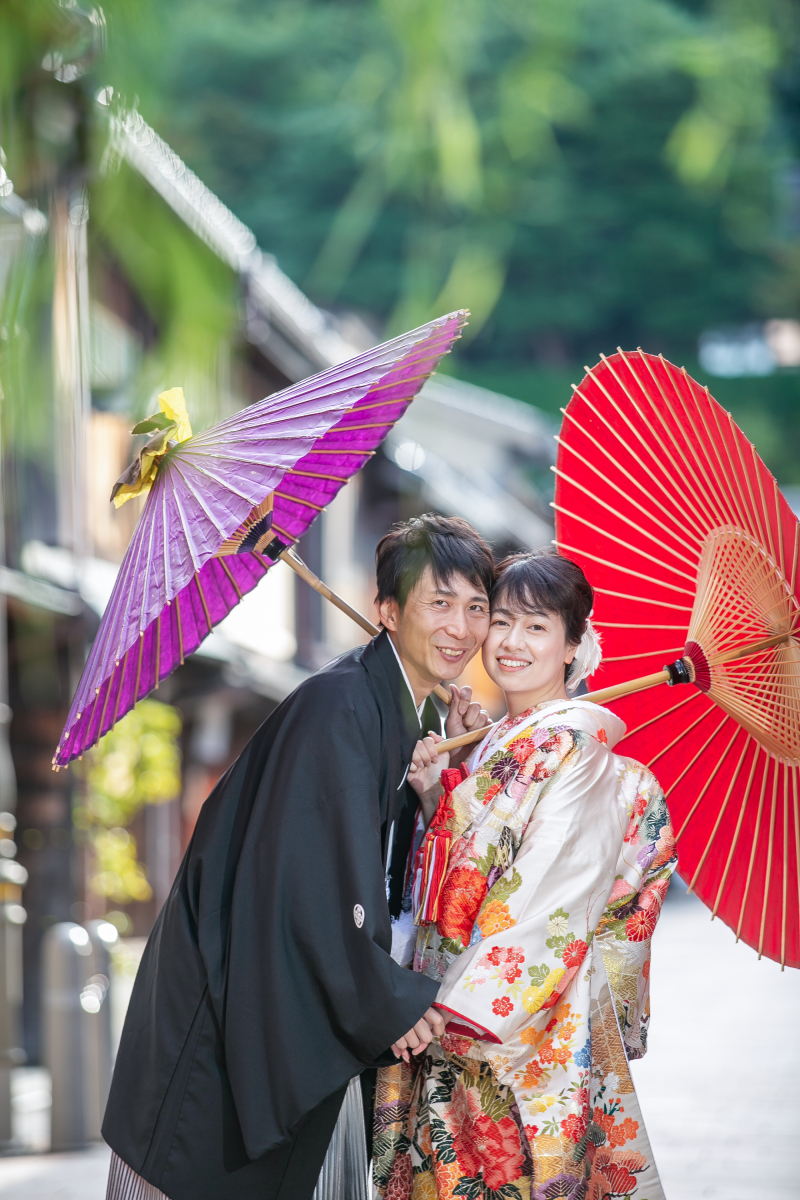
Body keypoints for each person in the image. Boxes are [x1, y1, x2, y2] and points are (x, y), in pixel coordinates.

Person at [102, 514, 494, 1200]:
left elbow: (379, 873)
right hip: (225, 1008)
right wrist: (389, 1001)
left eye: (476, 608)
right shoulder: (339, 708)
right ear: (387, 609)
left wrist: (446, 772)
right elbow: (308, 889)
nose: (460, 627)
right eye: (439, 603)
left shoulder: (391, 711)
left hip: (271, 995)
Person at [374, 550, 677, 1200]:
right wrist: (439, 792)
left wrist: (445, 1010)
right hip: (448, 1013)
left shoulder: (575, 748)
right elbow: (468, 865)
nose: (510, 643)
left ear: (573, 644)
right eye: (502, 621)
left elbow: (547, 899)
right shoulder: (499, 741)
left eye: (537, 627)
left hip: (518, 1031)